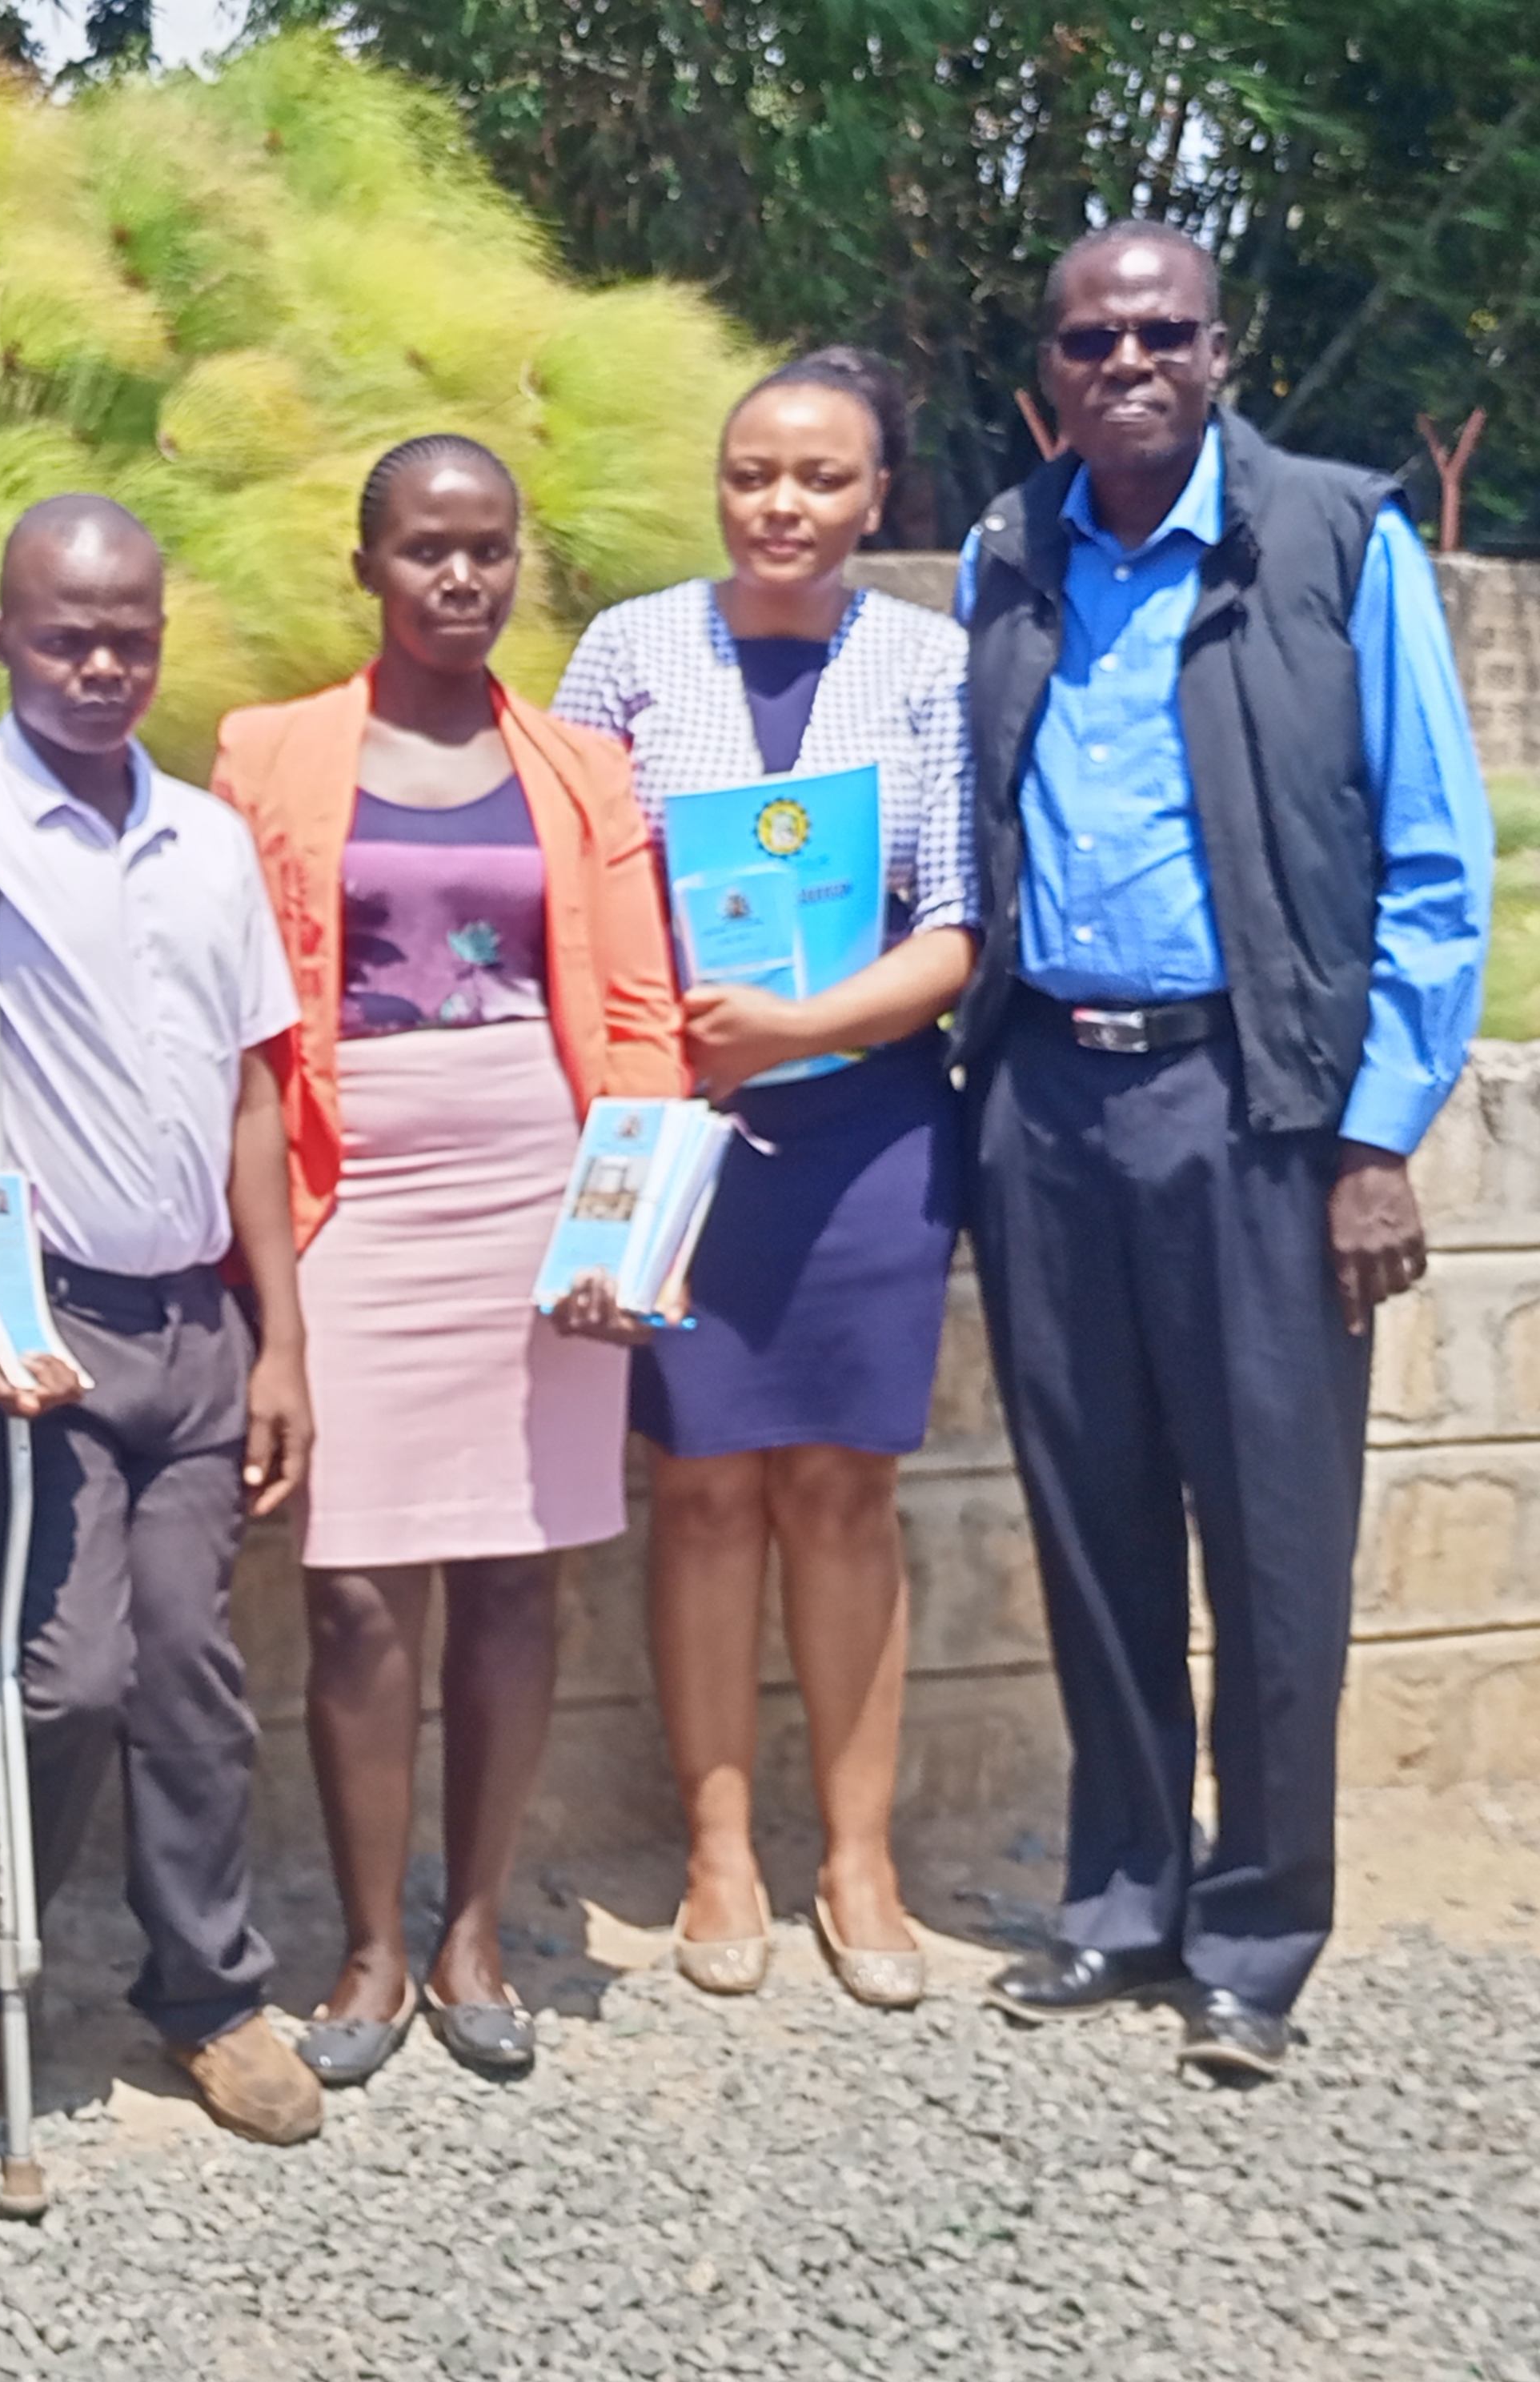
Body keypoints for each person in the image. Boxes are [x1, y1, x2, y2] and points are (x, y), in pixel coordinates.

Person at [953, 223, 1492, 2077]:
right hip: (1044, 1102)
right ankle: (1120, 1900)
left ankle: (1256, 1937)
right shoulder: (1005, 553)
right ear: (1046, 366)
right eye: (1089, 338)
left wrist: (1372, 1139)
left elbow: (1432, 864)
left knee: (1270, 1536)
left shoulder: (1339, 541)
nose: (1124, 364)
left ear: (1220, 349)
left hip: (1253, 1109)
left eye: (1159, 333)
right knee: (1088, 1519)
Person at [211, 437, 683, 2087]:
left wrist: (625, 1223)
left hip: (533, 1192)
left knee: (512, 1568)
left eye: (488, 550)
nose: (460, 578)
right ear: (369, 565)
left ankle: (473, 1927)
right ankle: (366, 1950)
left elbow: (632, 1008)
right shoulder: (267, 757)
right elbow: (238, 1015)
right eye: (426, 549)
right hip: (350, 1200)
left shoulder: (578, 770)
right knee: (350, 1587)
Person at [0, 495, 324, 2148]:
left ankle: (206, 1993)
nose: (98, 662)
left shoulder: (207, 841)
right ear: (0, 633)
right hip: (33, 1322)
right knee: (63, 1681)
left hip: (194, 1321)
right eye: (64, 632)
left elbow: (253, 1103)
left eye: (128, 632)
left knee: (192, 1675)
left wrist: (279, 1339)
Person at [548, 348, 977, 2007]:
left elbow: (955, 927)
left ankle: (855, 1858)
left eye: (819, 477)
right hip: (683, 1135)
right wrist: (673, 1042)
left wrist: (797, 1019)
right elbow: (577, 885)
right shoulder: (630, 653)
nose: (779, 504)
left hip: (866, 1127)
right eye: (751, 473)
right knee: (708, 1490)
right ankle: (719, 1847)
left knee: (841, 1493)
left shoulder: (930, 665)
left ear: (878, 497)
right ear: (716, 485)